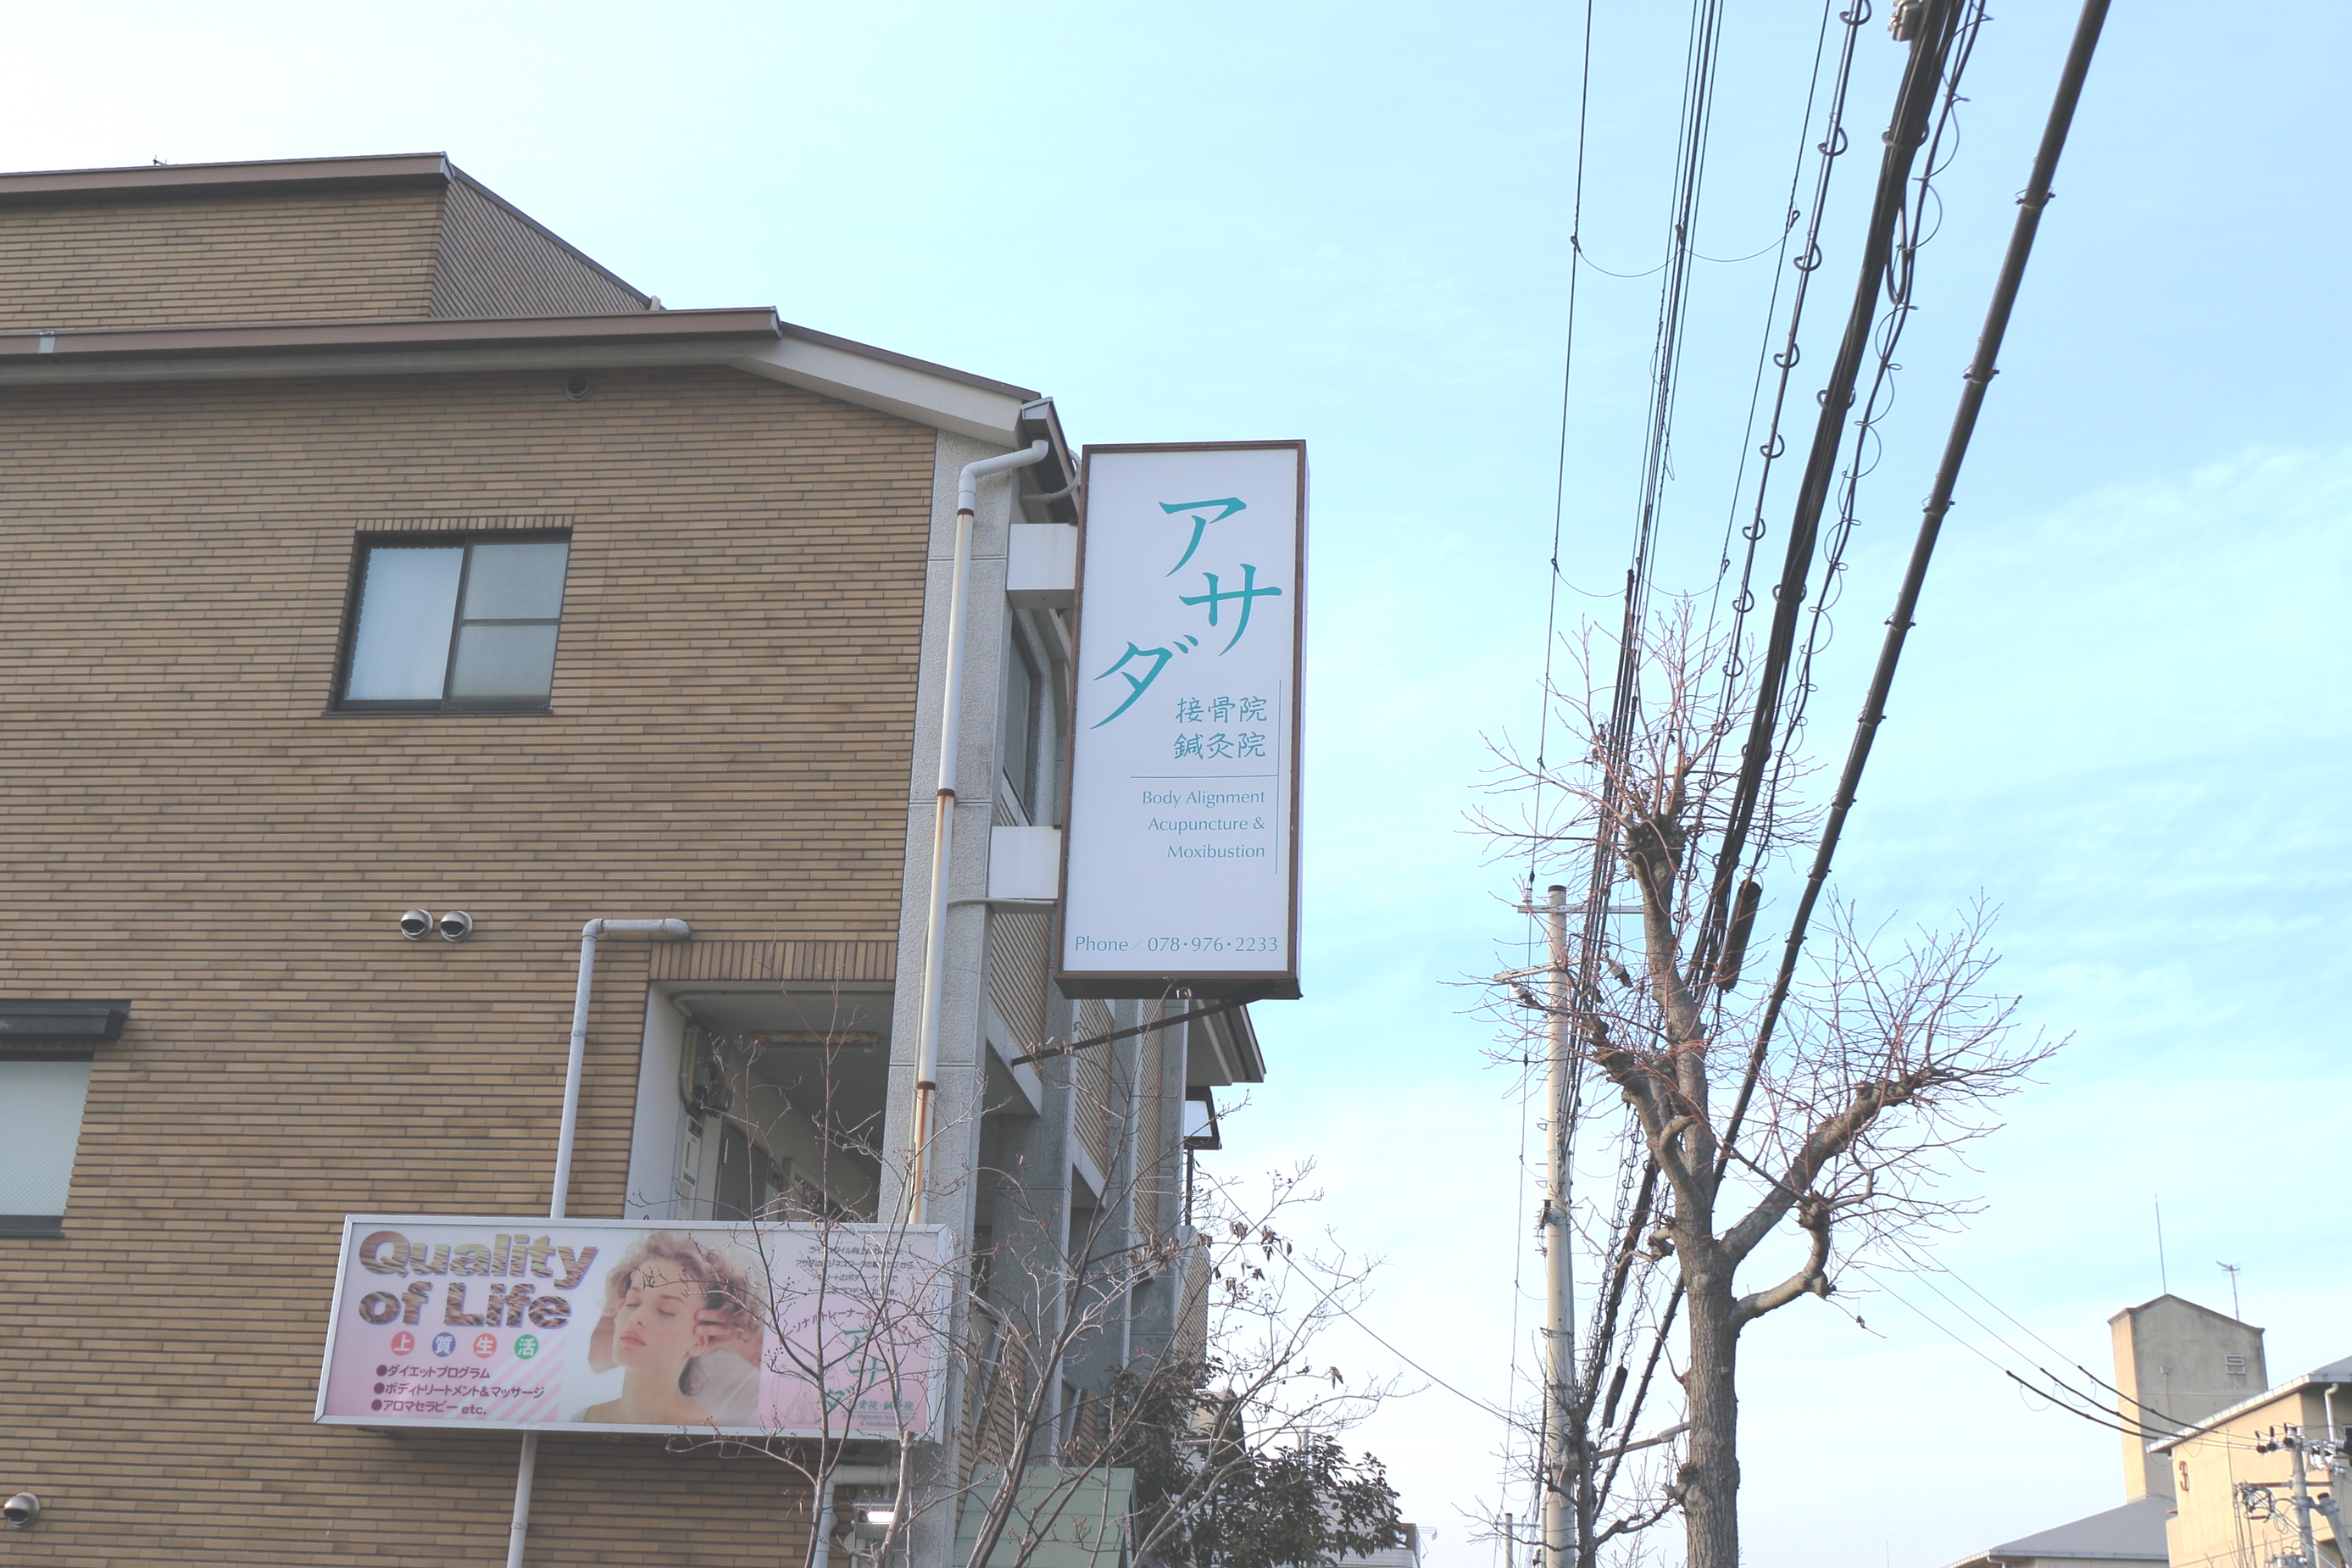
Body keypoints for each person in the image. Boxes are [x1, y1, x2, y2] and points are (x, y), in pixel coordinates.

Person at [571, 1232, 763, 1426]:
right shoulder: (581, 1421)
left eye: (666, 1311)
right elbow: (596, 1360)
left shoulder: (711, 1437)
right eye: (633, 1302)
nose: (637, 1317)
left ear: (699, 1341)